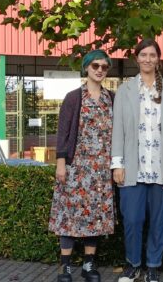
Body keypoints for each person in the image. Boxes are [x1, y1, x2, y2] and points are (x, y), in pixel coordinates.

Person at [111, 38, 163, 282]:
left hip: (161, 169)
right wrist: (117, 164)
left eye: (152, 55)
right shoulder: (125, 91)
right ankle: (133, 264)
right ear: (137, 59)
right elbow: (118, 130)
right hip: (133, 168)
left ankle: (153, 265)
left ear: (158, 59)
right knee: (132, 219)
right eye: (143, 55)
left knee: (158, 221)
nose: (148, 59)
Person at [49, 49, 115, 282]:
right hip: (76, 167)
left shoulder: (111, 98)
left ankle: (89, 264)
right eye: (95, 66)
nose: (99, 70)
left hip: (101, 170)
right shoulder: (74, 97)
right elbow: (63, 132)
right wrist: (60, 163)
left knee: (94, 217)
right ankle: (65, 266)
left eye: (104, 67)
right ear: (86, 67)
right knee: (68, 215)